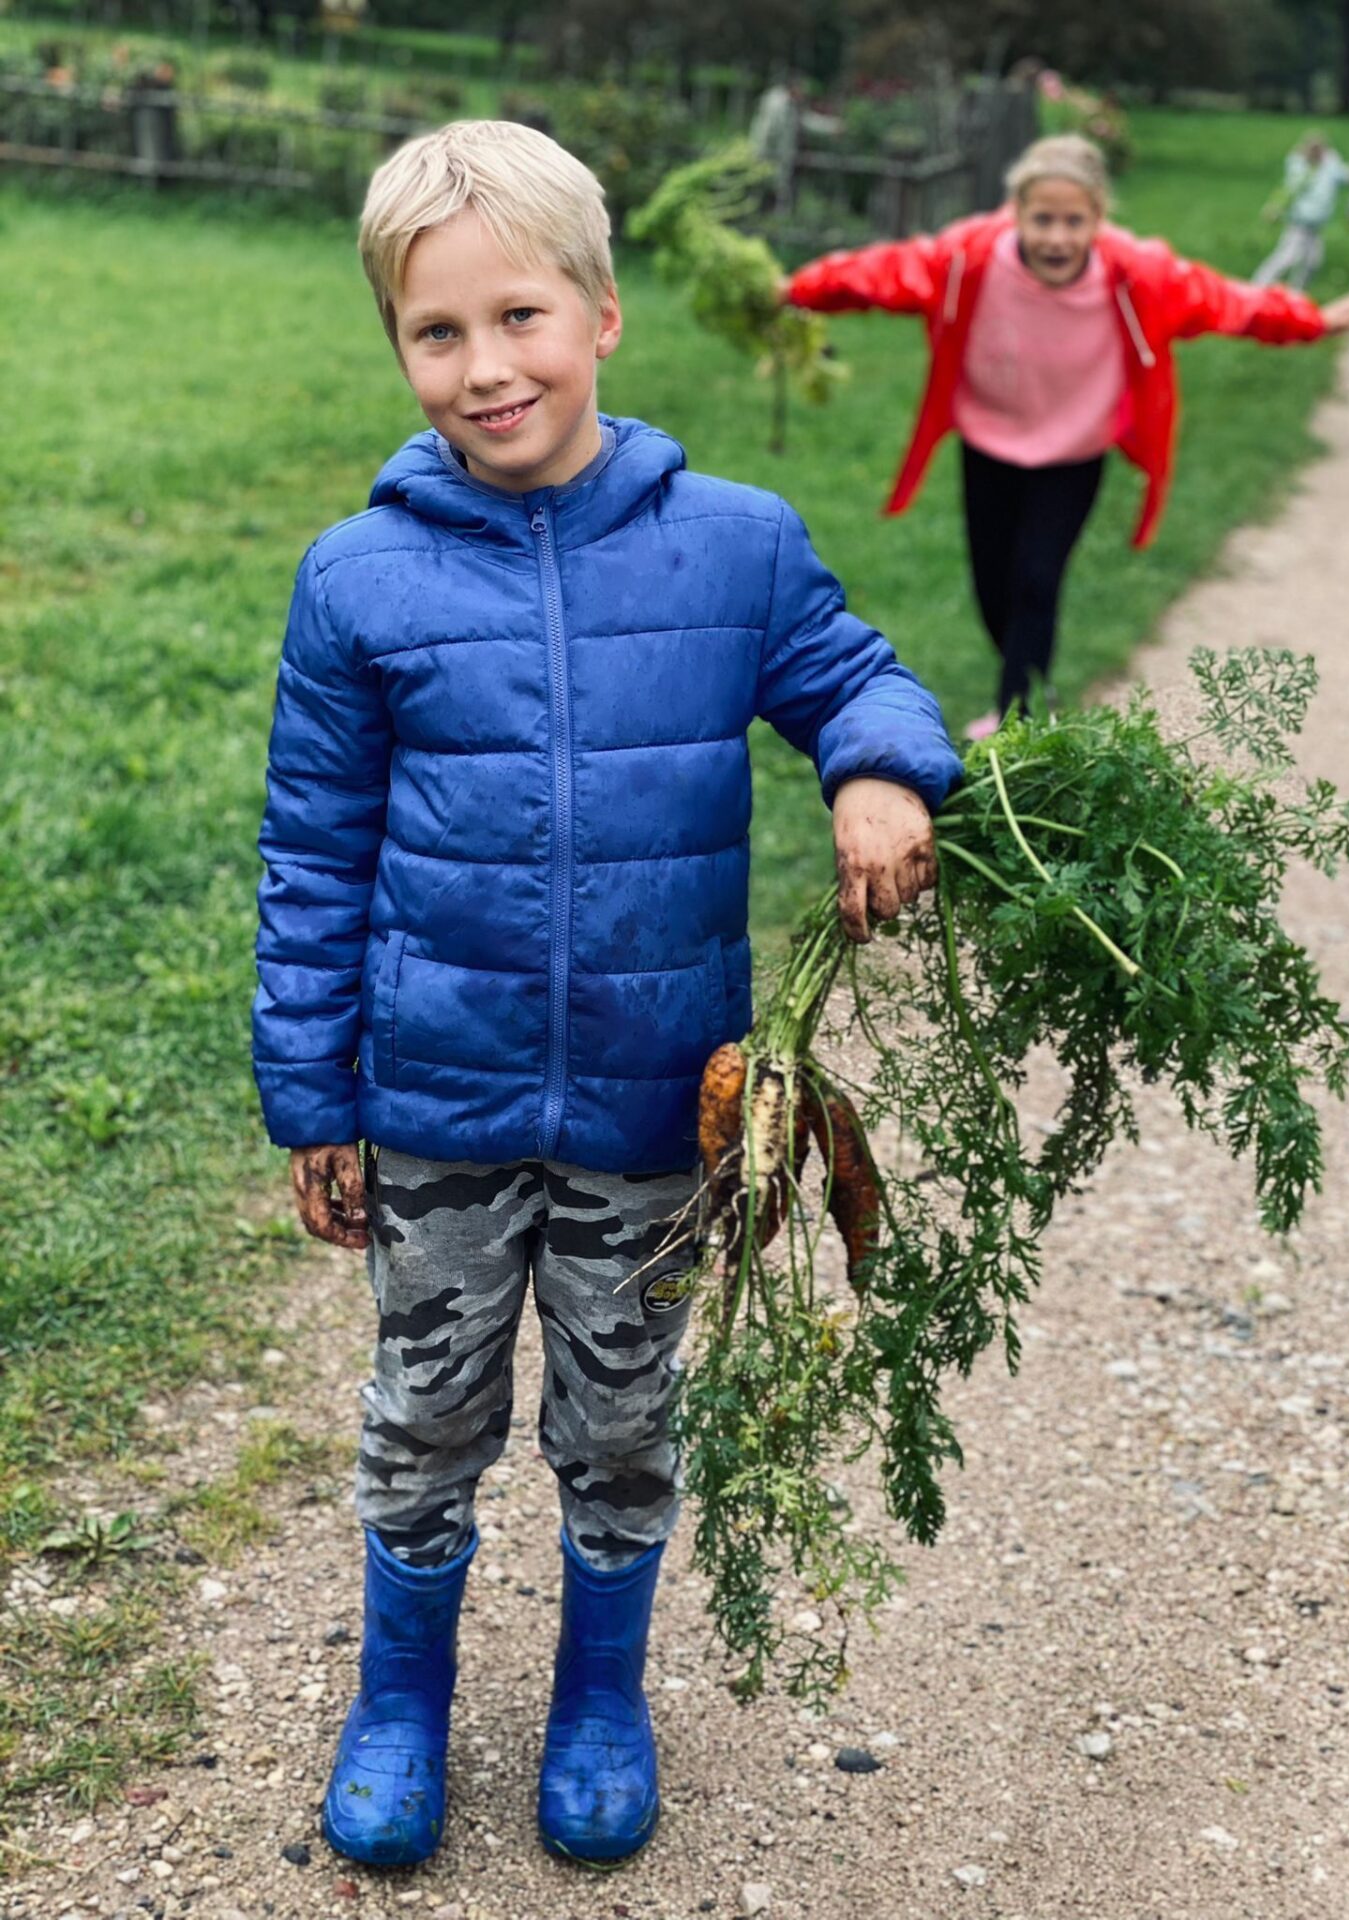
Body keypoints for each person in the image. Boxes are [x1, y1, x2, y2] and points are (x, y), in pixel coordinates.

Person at [250, 119, 960, 1871]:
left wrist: (880, 769)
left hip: (656, 1105)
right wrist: (313, 1097)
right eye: (437, 333)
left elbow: (856, 676)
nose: (485, 368)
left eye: (521, 318)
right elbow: (312, 860)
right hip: (435, 1100)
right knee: (424, 1416)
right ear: (398, 345)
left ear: (604, 316)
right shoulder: (360, 581)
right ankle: (399, 1702)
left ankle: (599, 1697)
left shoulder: (733, 545)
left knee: (625, 1419)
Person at [780, 133, 1349, 740]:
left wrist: (1311, 320)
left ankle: (1017, 717)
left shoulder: (1138, 274)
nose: (1057, 238)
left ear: (1099, 219)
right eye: (1042, 219)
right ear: (1015, 213)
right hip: (988, 443)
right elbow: (882, 273)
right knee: (994, 589)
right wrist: (798, 290)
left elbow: (1225, 300)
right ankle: (1029, 673)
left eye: (1074, 221)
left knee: (1037, 580)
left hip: (1073, 453)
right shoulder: (969, 258)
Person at [1253, 129, 1349, 291]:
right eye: (1311, 148)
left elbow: (1346, 175)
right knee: (1287, 257)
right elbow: (1287, 191)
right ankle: (1258, 286)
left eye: (1319, 149)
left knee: (1312, 262)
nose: (1315, 153)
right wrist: (1275, 208)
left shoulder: (1330, 167)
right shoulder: (1299, 168)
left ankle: (1296, 294)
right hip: (1299, 223)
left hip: (1316, 226)